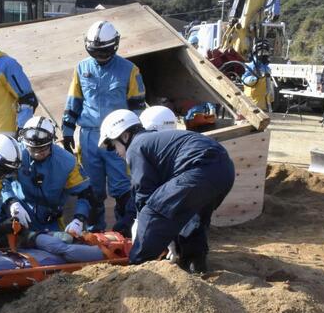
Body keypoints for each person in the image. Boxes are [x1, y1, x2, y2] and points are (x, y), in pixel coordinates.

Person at [98, 109, 235, 274]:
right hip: (224, 170)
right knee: (192, 218)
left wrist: (145, 232)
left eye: (114, 147)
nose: (116, 153)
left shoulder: (136, 147)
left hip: (199, 170)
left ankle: (136, 272)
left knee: (151, 210)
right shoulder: (154, 142)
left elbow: (144, 195)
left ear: (125, 136)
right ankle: (194, 266)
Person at [61, 20, 145, 233]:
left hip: (118, 138)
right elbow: (74, 101)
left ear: (114, 46)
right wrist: (67, 131)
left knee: (122, 188)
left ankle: (124, 231)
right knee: (92, 189)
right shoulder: (81, 68)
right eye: (95, 52)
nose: (99, 56)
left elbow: (137, 107)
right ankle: (93, 232)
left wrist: (134, 138)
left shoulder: (129, 70)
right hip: (89, 138)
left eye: (103, 52)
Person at [1, 116, 94, 235]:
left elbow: (86, 193)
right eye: (32, 149)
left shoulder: (67, 162)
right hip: (19, 212)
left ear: (51, 143)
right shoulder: (16, 153)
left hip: (50, 219)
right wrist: (11, 201)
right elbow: (2, 181)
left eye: (42, 149)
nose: (36, 154)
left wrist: (79, 220)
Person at [242, 40, 273, 112]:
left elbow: (268, 85)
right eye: (262, 52)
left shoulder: (266, 67)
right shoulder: (251, 66)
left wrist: (270, 100)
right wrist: (255, 78)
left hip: (263, 103)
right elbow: (244, 80)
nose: (265, 54)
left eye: (266, 52)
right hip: (252, 101)